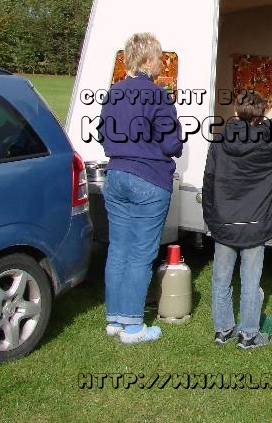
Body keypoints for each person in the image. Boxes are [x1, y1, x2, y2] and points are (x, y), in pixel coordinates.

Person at [203, 91, 272, 350]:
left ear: (236, 112)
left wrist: (210, 218)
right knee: (250, 281)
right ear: (261, 115)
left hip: (224, 220)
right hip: (255, 221)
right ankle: (248, 334)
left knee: (221, 279)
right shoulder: (267, 144)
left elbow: (209, 181)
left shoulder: (219, 140)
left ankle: (222, 330)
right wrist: (266, 121)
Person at [101, 32, 183, 344]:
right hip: (148, 177)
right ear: (147, 61)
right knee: (140, 253)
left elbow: (104, 135)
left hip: (117, 173)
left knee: (118, 249)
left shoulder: (114, 93)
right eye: (160, 58)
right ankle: (133, 327)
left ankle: (115, 318)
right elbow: (171, 142)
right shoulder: (157, 95)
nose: (162, 63)